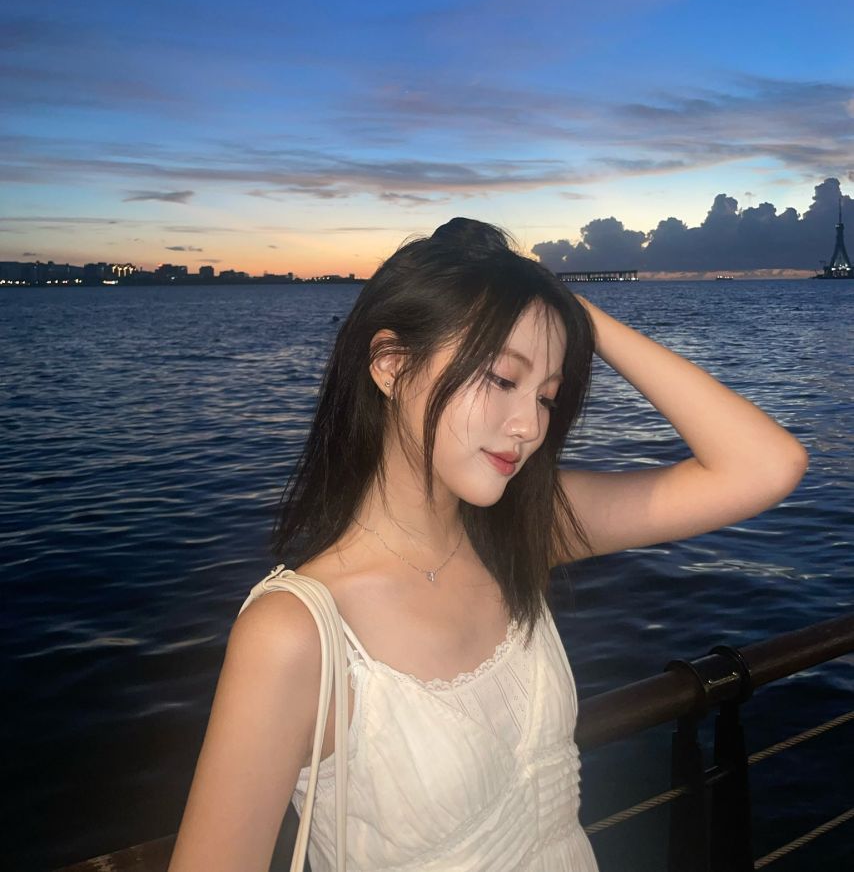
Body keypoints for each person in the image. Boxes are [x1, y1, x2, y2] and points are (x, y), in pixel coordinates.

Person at [167, 218, 808, 872]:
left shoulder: (519, 532)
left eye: (548, 397)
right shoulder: (299, 633)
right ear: (391, 365)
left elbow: (765, 466)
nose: (529, 425)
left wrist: (563, 308)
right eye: (502, 379)